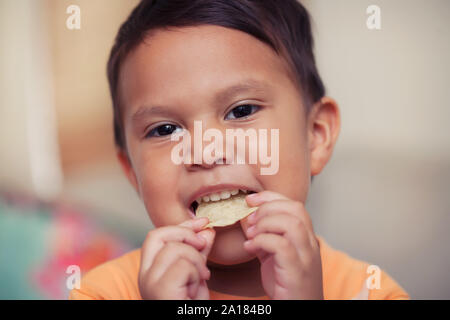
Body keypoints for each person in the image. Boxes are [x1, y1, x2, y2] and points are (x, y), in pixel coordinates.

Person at [69, 0, 409, 300]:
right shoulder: (100, 294)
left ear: (315, 135)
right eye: (165, 129)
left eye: (241, 110)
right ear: (132, 172)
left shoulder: (374, 292)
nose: (205, 151)